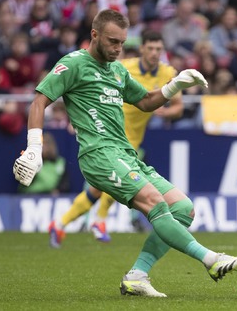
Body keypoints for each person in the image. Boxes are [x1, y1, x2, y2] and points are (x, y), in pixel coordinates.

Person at [13, 9, 237, 297]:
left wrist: (176, 84)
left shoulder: (119, 70)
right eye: (112, 41)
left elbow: (146, 102)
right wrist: (34, 148)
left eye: (122, 43)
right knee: (154, 202)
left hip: (126, 153)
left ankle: (137, 277)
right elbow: (39, 102)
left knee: (183, 209)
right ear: (94, 35)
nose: (117, 48)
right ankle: (211, 260)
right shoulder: (73, 63)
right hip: (98, 155)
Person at [48, 29, 184, 245]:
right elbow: (89, 90)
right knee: (119, 182)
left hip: (134, 137)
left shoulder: (168, 72)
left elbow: (178, 108)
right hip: (110, 134)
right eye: (150, 48)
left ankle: (61, 223)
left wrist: (162, 111)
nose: (154, 53)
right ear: (141, 49)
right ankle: (98, 221)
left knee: (101, 188)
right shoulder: (124, 68)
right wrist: (79, 120)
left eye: (158, 49)